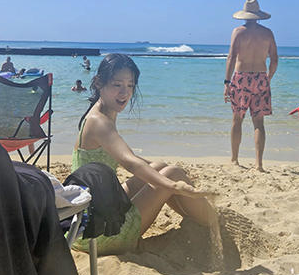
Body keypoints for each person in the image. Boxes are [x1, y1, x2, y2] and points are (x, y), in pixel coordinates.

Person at [72, 53, 215, 255]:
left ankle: (195, 217)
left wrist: (168, 177)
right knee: (172, 173)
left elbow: (126, 157)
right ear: (98, 83)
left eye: (130, 85)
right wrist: (174, 185)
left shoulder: (98, 114)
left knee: (160, 167)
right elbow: (129, 161)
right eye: (117, 85)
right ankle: (214, 223)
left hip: (85, 222)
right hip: (99, 233)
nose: (125, 92)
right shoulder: (99, 121)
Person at [224, 0, 278, 172]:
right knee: (259, 122)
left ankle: (234, 160)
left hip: (241, 78)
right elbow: (274, 60)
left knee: (237, 120)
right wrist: (268, 78)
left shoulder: (238, 31)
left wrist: (227, 82)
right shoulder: (268, 33)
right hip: (261, 77)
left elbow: (231, 57)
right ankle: (259, 164)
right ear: (258, 16)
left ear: (244, 15)